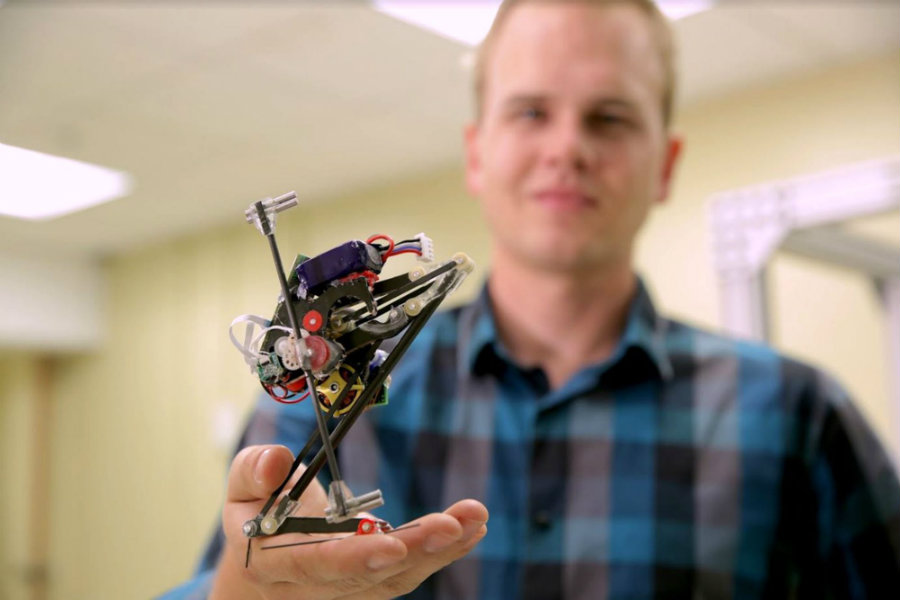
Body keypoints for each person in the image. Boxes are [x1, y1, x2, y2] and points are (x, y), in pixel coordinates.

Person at [162, 0, 900, 598]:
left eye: (609, 117)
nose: (566, 147)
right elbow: (223, 572)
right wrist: (250, 589)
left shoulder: (799, 416)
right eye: (530, 112)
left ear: (665, 165)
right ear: (477, 153)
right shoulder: (323, 396)